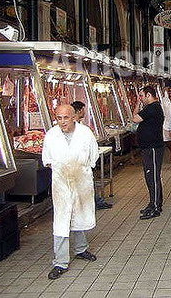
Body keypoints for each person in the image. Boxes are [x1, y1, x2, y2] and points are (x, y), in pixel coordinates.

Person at [42, 105, 99, 280]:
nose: (62, 122)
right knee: (61, 220)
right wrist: (64, 171)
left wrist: (81, 170)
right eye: (59, 118)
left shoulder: (85, 133)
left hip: (81, 180)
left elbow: (93, 156)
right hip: (61, 184)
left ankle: (81, 249)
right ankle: (60, 262)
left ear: (74, 117)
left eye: (66, 118)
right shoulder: (51, 135)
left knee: (79, 215)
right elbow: (47, 159)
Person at [71, 101, 112, 210]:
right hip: (80, 161)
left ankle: (94, 202)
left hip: (80, 161)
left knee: (87, 182)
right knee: (86, 182)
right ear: (79, 111)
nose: (84, 112)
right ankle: (95, 202)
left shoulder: (78, 126)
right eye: (83, 110)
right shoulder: (78, 128)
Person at [133, 86, 165, 220]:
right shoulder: (150, 108)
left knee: (153, 177)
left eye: (141, 96)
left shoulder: (153, 108)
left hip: (153, 148)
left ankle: (156, 207)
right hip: (148, 148)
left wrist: (137, 104)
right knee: (150, 177)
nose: (140, 98)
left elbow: (134, 118)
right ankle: (153, 203)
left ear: (148, 95)